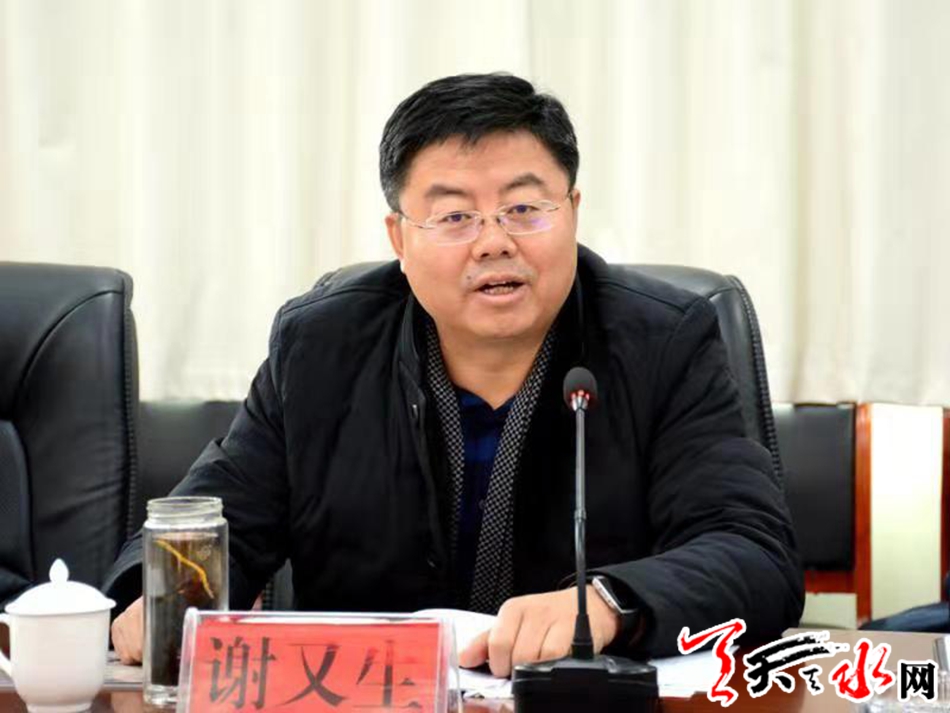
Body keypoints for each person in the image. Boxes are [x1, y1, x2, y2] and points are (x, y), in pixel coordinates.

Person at [106, 73, 804, 675]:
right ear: (399, 238)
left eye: (524, 208)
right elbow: (214, 520)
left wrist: (608, 602)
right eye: (454, 216)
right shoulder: (322, 345)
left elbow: (753, 553)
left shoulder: (663, 341)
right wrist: (150, 597)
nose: (494, 241)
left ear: (573, 212)